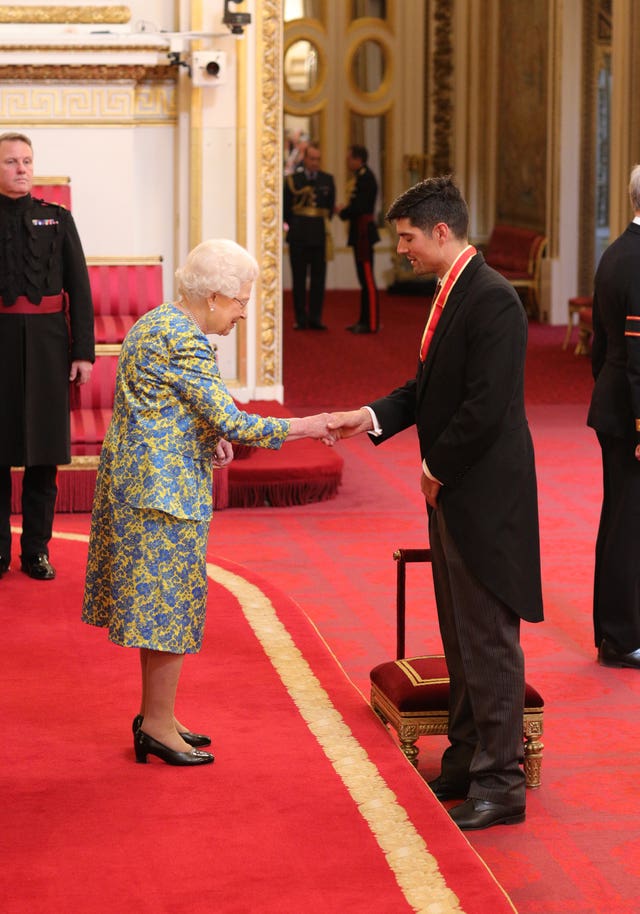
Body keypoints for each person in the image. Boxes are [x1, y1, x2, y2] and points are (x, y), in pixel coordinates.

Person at [328, 176, 543, 830]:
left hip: (484, 495)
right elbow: (428, 388)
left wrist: (434, 467)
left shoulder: (494, 300)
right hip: (457, 492)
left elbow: (487, 406)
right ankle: (467, 757)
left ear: (442, 231)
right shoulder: (454, 292)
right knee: (460, 636)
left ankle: (501, 782)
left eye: (408, 237)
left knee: (488, 641)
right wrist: (367, 414)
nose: (403, 249)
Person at [82, 239, 336, 767]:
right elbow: (237, 422)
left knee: (157, 608)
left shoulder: (158, 322)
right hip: (163, 492)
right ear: (217, 296)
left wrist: (203, 436)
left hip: (139, 481)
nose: (245, 311)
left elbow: (164, 403)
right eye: (242, 300)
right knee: (169, 609)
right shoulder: (187, 341)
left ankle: (159, 714)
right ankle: (155, 724)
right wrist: (313, 425)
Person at [0, 132, 94, 582]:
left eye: (27, 161)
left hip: (48, 344)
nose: (21, 169)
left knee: (43, 455)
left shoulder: (57, 220)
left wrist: (83, 353)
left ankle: (36, 550)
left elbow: (80, 287)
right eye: (11, 162)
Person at [587, 164, 640, 670]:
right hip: (632, 413)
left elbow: (599, 348)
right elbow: (639, 353)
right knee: (629, 525)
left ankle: (613, 629)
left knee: (618, 520)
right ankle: (622, 639)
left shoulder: (615, 251)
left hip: (613, 403)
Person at [283, 141, 335, 330]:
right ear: (305, 159)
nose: (315, 162)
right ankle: (300, 318)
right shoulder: (292, 180)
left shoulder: (327, 179)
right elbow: (286, 209)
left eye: (318, 159)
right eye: (312, 158)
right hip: (298, 235)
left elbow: (329, 208)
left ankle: (315, 318)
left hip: (319, 236)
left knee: (318, 278)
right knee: (298, 278)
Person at [336, 144, 380, 333]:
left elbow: (359, 207)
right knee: (364, 279)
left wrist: (343, 211)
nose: (347, 162)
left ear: (358, 159)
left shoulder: (365, 178)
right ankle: (364, 320)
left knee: (368, 280)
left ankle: (371, 323)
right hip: (359, 232)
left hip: (363, 234)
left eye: (349, 158)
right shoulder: (361, 177)